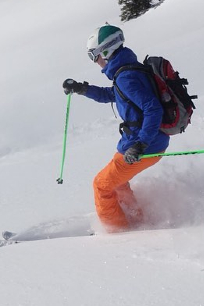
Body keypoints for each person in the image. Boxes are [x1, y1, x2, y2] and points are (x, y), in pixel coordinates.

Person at [62, 24, 169, 233]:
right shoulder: (127, 71)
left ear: (107, 50)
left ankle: (117, 233)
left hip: (143, 145)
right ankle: (136, 220)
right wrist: (82, 89)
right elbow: (112, 95)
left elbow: (153, 109)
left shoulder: (126, 76)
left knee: (101, 185)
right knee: (117, 184)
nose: (95, 61)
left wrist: (140, 144)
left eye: (94, 55)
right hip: (142, 143)